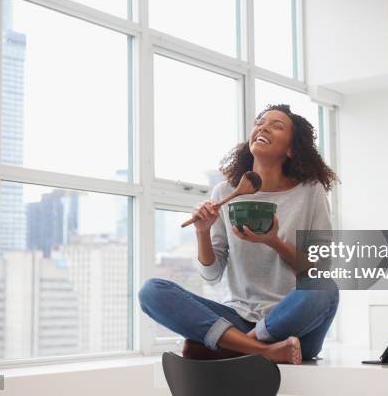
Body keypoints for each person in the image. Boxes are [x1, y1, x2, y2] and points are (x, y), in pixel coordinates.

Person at [139, 104, 339, 364]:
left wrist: (273, 241)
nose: (263, 126)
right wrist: (202, 232)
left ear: (291, 149)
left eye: (276, 125)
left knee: (325, 288)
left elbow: (318, 270)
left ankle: (234, 346)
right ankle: (263, 350)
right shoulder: (224, 192)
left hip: (295, 325)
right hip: (239, 317)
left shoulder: (310, 193)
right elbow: (212, 274)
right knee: (152, 291)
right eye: (260, 122)